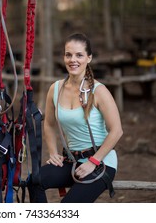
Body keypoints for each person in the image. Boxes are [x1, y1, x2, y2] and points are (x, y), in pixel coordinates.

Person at [30, 33, 123, 203]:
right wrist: (53, 152)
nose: (73, 60)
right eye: (68, 55)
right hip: (71, 160)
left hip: (101, 161)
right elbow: (49, 125)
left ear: (89, 58)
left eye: (79, 55)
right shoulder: (55, 89)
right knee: (34, 180)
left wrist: (93, 161)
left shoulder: (99, 91)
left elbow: (117, 131)